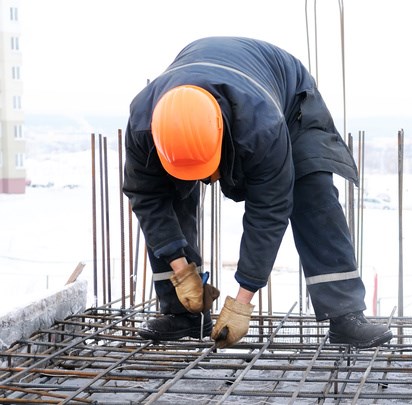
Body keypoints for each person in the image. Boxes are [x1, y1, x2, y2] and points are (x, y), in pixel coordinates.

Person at [122, 36, 393, 349]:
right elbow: (147, 199)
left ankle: (346, 316)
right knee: (165, 195)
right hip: (218, 88)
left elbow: (269, 211)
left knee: (311, 188)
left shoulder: (262, 126)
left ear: (222, 139)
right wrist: (181, 271)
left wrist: (242, 302)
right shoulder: (144, 127)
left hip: (289, 102)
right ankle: (185, 314)